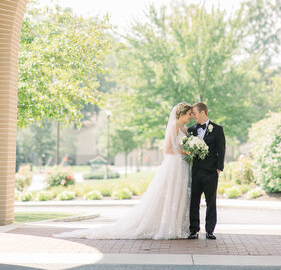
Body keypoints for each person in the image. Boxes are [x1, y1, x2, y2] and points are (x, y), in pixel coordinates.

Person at [54, 102, 193, 240]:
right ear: (181, 114)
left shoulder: (184, 128)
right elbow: (167, 149)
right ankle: (164, 228)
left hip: (182, 166)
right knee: (166, 196)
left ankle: (174, 227)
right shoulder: (174, 127)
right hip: (173, 166)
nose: (190, 117)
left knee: (177, 196)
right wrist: (185, 151)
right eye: (188, 114)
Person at [188, 102, 226, 240]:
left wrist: (219, 169)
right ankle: (194, 230)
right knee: (194, 202)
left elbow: (221, 151)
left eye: (195, 114)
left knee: (211, 202)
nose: (193, 117)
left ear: (202, 112)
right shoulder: (191, 130)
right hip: (196, 172)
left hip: (211, 173)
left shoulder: (217, 129)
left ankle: (210, 230)